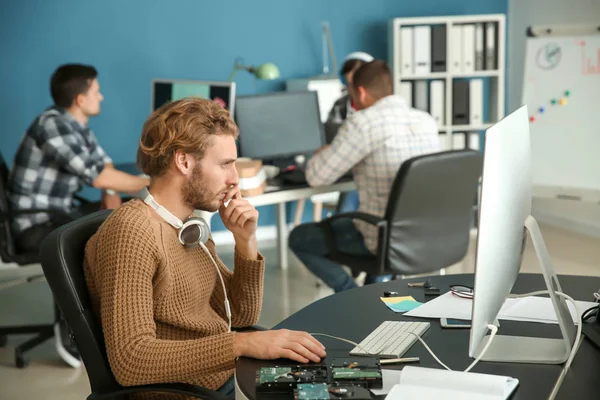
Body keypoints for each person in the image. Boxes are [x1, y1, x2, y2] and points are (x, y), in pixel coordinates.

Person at [83, 97, 327, 399]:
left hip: (226, 379)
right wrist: (242, 344)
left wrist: (245, 241)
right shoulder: (132, 232)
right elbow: (131, 360)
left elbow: (240, 315)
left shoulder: (189, 226)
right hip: (192, 393)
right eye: (226, 164)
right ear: (184, 161)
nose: (235, 178)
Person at [6, 63, 149, 367]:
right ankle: (75, 335)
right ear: (80, 99)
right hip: (34, 224)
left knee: (115, 228)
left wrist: (113, 217)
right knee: (93, 247)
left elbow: (106, 171)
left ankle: (118, 326)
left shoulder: (75, 125)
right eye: (96, 91)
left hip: (55, 212)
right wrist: (153, 183)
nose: (102, 97)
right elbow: (98, 177)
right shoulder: (52, 125)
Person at [289, 60, 441, 293]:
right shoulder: (426, 121)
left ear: (360, 92)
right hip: (424, 235)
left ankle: (351, 294)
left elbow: (316, 177)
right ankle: (371, 295)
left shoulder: (363, 124)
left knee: (300, 238)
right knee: (371, 226)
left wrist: (322, 153)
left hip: (380, 240)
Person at [323, 52, 374, 213]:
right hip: (347, 168)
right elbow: (331, 137)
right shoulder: (340, 105)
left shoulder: (381, 109)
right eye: (349, 84)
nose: (355, 90)